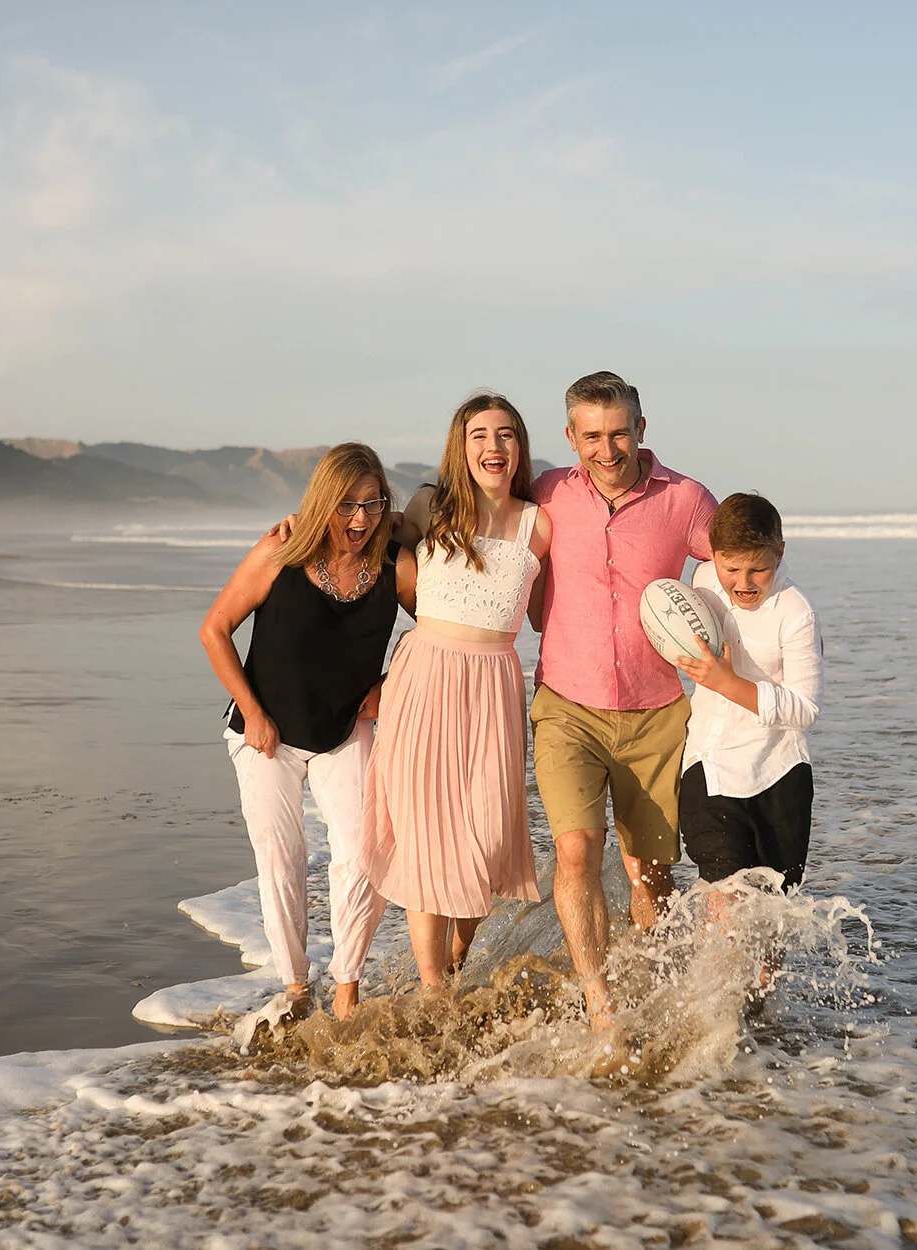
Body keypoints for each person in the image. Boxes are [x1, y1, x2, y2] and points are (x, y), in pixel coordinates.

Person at [199, 443, 417, 1021]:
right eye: (347, 503)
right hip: (264, 732)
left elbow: (442, 630)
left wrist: (390, 684)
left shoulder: (396, 565)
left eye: (373, 504)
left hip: (345, 727)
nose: (360, 518)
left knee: (366, 852)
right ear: (324, 499)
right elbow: (215, 629)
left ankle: (346, 989)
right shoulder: (281, 552)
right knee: (280, 856)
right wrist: (255, 714)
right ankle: (297, 989)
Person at [528, 370, 718, 1028]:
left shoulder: (688, 500)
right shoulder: (547, 492)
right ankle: (601, 1002)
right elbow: (472, 522)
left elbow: (737, 566)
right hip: (566, 707)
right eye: (591, 436)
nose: (606, 450)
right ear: (571, 437)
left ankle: (646, 979)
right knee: (576, 849)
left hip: (657, 713)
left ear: (642, 428)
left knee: (651, 876)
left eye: (618, 433)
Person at [356, 393, 553, 988]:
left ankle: (460, 956)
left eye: (505, 435)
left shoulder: (538, 524)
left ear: (520, 446)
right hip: (424, 676)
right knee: (425, 833)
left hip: (494, 683)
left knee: (486, 833)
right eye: (479, 436)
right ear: (460, 447)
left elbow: (553, 613)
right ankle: (434, 984)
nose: (493, 447)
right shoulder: (428, 508)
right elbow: (361, 547)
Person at [674, 492, 823, 928]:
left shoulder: (795, 612)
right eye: (731, 568)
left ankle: (757, 998)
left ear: (779, 552)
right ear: (713, 556)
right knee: (723, 899)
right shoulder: (701, 581)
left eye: (758, 568)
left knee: (769, 918)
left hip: (779, 772)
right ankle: (707, 996)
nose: (743, 582)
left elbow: (805, 708)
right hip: (711, 763)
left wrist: (728, 683)